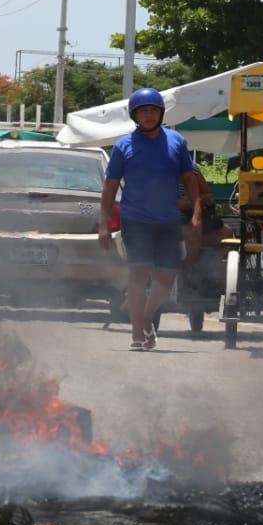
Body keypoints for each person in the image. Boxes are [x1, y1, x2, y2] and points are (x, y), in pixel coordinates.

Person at [98, 88, 201, 351]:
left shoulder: (176, 141)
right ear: (134, 115)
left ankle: (145, 318)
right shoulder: (124, 146)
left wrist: (197, 211)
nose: (148, 114)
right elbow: (110, 186)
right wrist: (103, 224)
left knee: (166, 276)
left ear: (161, 113)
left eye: (153, 110)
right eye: (143, 111)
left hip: (167, 219)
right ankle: (136, 333)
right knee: (138, 274)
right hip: (135, 220)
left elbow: (190, 179)